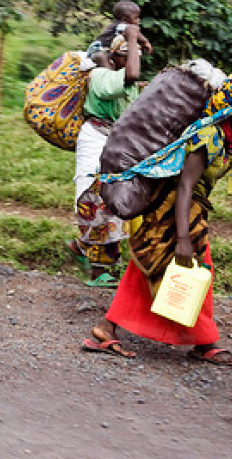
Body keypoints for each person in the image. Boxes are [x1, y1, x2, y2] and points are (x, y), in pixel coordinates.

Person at [83, 73, 232, 365]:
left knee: (146, 268)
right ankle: (205, 342)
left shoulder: (229, 140)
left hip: (190, 213)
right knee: (193, 267)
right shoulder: (206, 138)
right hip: (172, 212)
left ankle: (106, 328)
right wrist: (182, 239)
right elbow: (184, 188)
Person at [67, 25, 141, 287]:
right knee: (94, 199)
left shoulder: (119, 78)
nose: (133, 58)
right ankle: (98, 271)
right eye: (128, 54)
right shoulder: (101, 76)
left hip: (114, 142)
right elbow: (131, 75)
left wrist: (135, 37)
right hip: (96, 139)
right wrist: (132, 37)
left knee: (113, 202)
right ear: (114, 57)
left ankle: (82, 248)